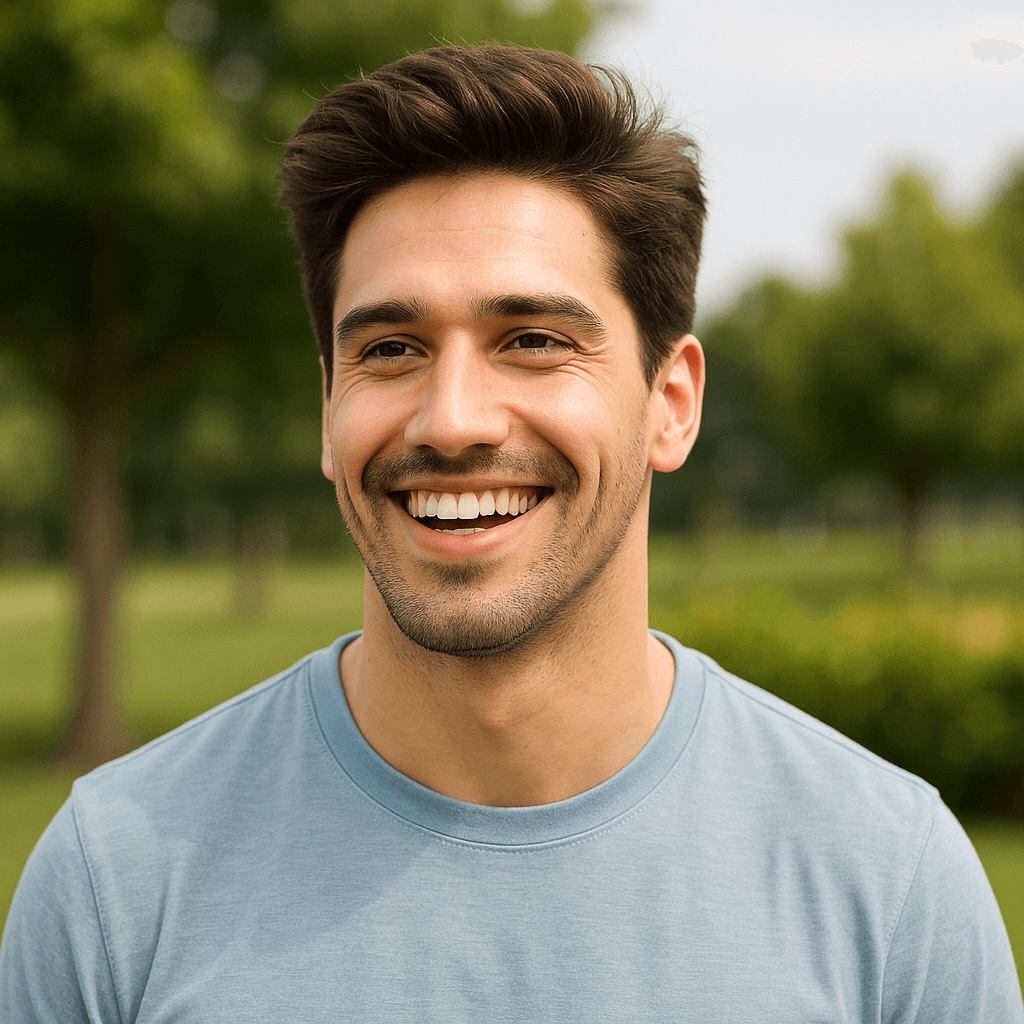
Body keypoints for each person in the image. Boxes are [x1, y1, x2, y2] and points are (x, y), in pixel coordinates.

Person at [2, 44, 1021, 1022]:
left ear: (670, 402)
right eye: (391, 348)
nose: (451, 419)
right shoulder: (115, 884)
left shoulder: (889, 885)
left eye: (531, 341)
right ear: (327, 410)